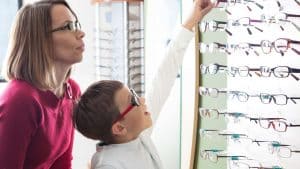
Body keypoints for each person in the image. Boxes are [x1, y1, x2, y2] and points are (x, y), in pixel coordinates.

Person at [73, 0, 213, 168]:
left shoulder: (135, 135)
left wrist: (191, 20)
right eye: (134, 100)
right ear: (119, 128)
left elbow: (163, 77)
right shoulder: (110, 165)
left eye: (134, 93)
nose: (143, 101)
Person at [0, 0, 85, 168]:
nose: (81, 33)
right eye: (68, 27)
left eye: (77, 24)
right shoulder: (20, 100)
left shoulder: (71, 91)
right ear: (40, 40)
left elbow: (62, 163)